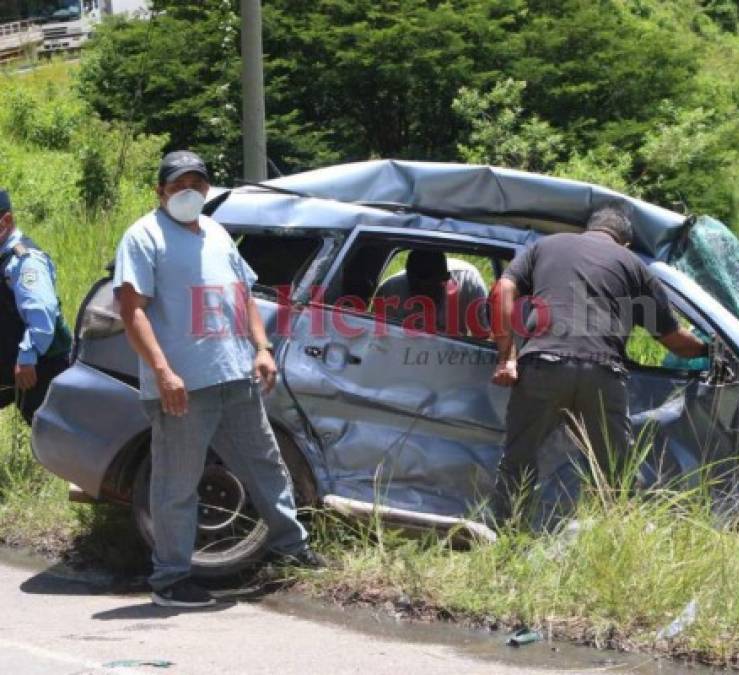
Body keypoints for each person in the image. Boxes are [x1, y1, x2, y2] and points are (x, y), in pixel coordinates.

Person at [113, 151, 323, 608]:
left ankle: (293, 549)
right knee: (177, 482)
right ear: (160, 190)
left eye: (197, 183)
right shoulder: (143, 236)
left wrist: (262, 348)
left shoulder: (217, 232)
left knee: (265, 464)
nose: (189, 191)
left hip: (236, 377)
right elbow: (132, 311)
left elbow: (243, 295)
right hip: (184, 388)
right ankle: (171, 579)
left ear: (208, 189)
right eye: (178, 184)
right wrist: (164, 371)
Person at [489, 205, 708, 524]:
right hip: (603, 374)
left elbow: (502, 289)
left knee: (518, 464)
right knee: (617, 475)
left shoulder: (545, 247)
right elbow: (675, 341)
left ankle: (508, 540)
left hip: (543, 365)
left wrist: (507, 356)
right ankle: (618, 543)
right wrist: (710, 347)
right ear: (625, 243)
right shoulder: (635, 267)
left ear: (587, 229)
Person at [0, 189, 72, 426]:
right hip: (14, 360)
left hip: (41, 365)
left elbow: (42, 312)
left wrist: (28, 355)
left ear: (6, 221)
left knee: (53, 432)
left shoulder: (25, 261)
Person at [373, 250, 489, 336]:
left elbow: (484, 336)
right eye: (416, 287)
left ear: (446, 278)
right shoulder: (390, 291)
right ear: (408, 277)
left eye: (429, 289)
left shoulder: (469, 284)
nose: (423, 295)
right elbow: (379, 337)